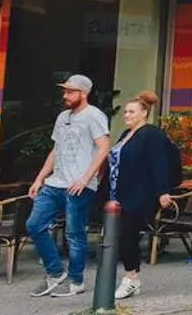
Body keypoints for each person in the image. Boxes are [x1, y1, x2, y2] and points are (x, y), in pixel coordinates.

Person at [27, 74, 111, 299]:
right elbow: (56, 149)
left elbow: (104, 148)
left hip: (78, 185)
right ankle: (55, 273)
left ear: (84, 94)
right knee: (34, 225)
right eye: (65, 91)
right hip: (55, 182)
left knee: (75, 234)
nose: (66, 95)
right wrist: (39, 178)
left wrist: (86, 179)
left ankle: (76, 280)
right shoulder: (63, 117)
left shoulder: (94, 116)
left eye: (70, 91)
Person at [107, 92, 182, 301]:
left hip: (139, 193)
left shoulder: (151, 134)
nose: (126, 115)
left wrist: (163, 191)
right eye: (125, 112)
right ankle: (131, 277)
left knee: (128, 234)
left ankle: (131, 278)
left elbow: (158, 162)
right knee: (121, 235)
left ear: (143, 113)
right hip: (120, 192)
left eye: (131, 112)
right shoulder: (126, 134)